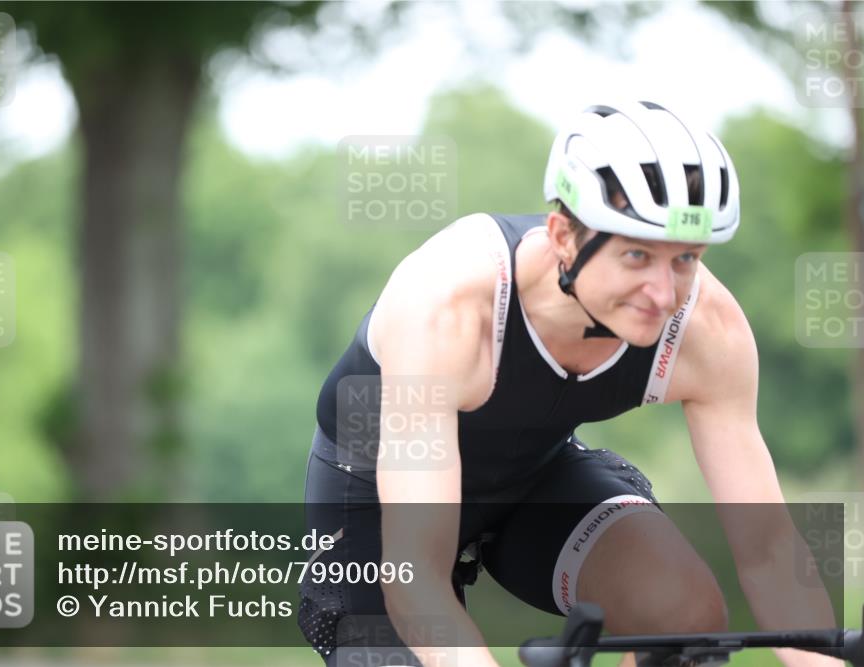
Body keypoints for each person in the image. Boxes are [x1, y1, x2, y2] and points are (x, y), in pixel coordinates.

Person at [299, 101, 839, 667]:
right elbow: (416, 580)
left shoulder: (705, 331)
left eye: (685, 258)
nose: (662, 291)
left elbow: (769, 550)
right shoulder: (451, 308)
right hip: (374, 493)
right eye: (636, 254)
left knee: (681, 613)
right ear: (563, 235)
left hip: (535, 475)